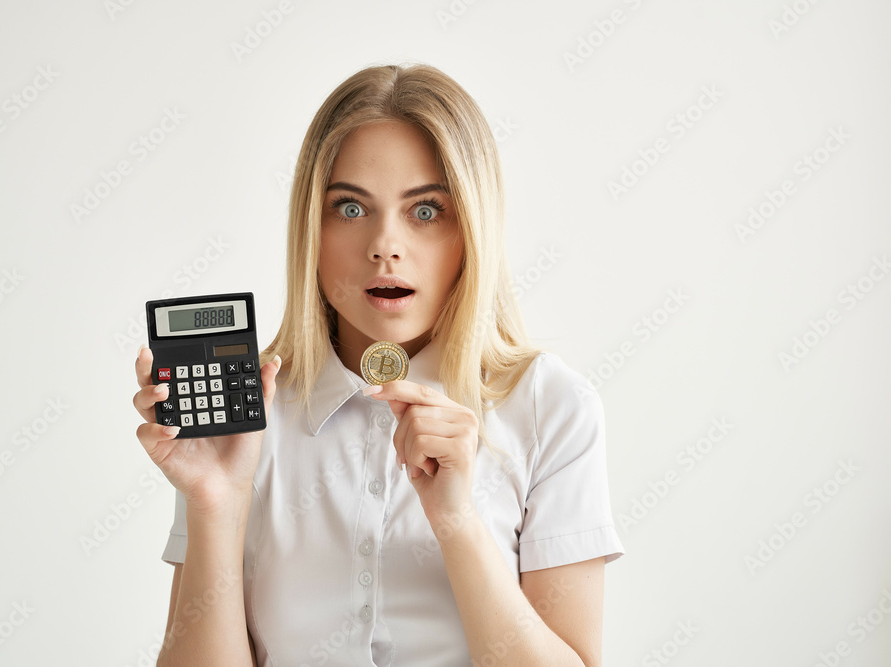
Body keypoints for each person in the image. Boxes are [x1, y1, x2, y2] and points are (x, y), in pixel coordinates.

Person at [133, 62, 625, 667]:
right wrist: (215, 502)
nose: (383, 245)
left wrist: (457, 521)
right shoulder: (244, 415)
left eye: (425, 211)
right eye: (349, 208)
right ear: (310, 230)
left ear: (470, 231)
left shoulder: (552, 408)